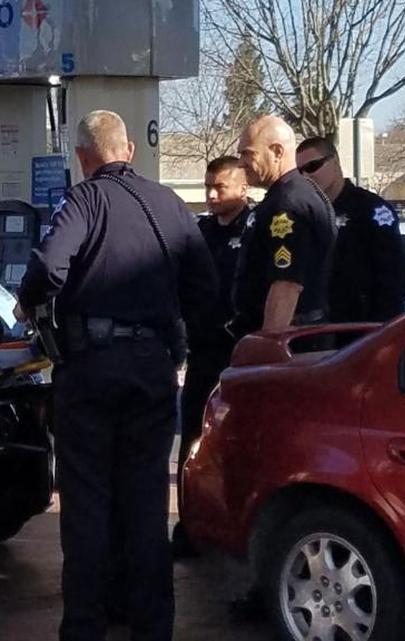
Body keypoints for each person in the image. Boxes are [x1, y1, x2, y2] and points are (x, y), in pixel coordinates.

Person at [15, 110, 218, 641]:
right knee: (147, 505)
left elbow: (47, 269)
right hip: (153, 370)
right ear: (129, 150)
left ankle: (86, 627)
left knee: (87, 507)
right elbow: (204, 289)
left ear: (83, 158)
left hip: (90, 370)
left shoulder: (83, 200)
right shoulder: (172, 205)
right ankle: (152, 625)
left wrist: (28, 303)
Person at [173, 156, 252, 555]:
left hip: (240, 354)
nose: (210, 195)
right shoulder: (199, 231)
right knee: (192, 440)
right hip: (202, 351)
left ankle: (240, 530)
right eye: (208, 186)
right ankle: (189, 526)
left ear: (242, 187)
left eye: (220, 187)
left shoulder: (256, 230)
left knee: (239, 444)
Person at [230, 115, 336, 337]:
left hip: (292, 342)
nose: (240, 163)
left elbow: (286, 285)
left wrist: (269, 347)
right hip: (301, 337)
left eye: (247, 153)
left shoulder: (287, 204)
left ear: (277, 152)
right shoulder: (296, 193)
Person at [296, 136, 405, 323]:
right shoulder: (306, 214)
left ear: (335, 162)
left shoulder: (370, 209)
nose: (306, 176)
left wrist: (375, 330)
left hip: (361, 331)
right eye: (299, 172)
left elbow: (395, 279)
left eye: (312, 167)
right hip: (316, 331)